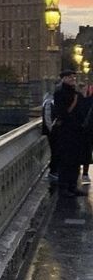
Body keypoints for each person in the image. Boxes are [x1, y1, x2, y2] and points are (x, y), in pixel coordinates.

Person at [53, 69, 86, 197]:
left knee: (75, 160)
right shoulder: (60, 93)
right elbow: (62, 113)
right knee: (65, 160)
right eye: (70, 77)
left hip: (77, 132)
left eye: (73, 77)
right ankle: (64, 187)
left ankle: (73, 186)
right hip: (66, 132)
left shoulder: (77, 94)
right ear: (64, 79)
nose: (73, 79)